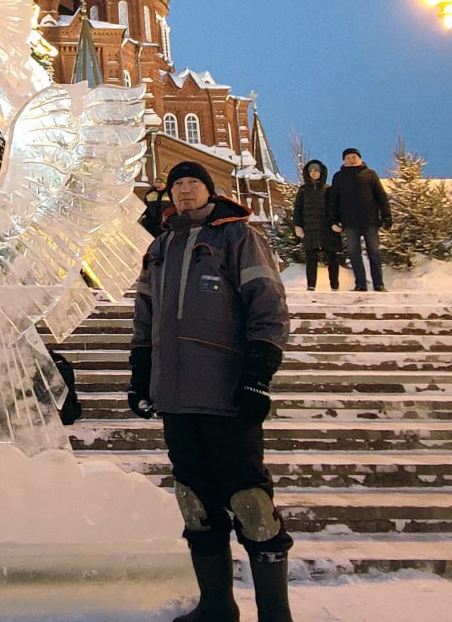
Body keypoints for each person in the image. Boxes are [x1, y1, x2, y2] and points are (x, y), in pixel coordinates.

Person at [130, 160, 292, 622]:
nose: (184, 191)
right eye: (177, 185)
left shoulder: (238, 236)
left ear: (208, 189)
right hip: (176, 397)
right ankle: (217, 607)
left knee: (250, 503)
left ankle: (275, 614)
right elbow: (145, 315)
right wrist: (141, 375)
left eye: (192, 183)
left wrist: (258, 374)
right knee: (195, 502)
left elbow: (268, 304)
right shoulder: (159, 246)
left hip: (226, 393)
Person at [328, 147, 392, 292]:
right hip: (349, 222)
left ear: (359, 158)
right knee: (353, 253)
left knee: (374, 251)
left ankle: (378, 284)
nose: (351, 160)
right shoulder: (339, 177)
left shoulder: (370, 174)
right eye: (348, 158)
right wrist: (333, 220)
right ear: (344, 160)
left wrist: (386, 215)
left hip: (370, 221)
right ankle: (360, 284)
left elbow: (381, 196)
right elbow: (333, 200)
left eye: (354, 157)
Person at [292, 159, 341, 291]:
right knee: (311, 259)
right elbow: (298, 209)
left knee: (332, 257)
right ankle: (311, 285)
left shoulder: (328, 190)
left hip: (327, 229)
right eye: (311, 171)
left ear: (321, 172)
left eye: (316, 171)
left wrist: (336, 224)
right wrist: (297, 225)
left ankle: (335, 286)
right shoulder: (303, 190)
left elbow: (334, 209)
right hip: (309, 229)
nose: (314, 173)